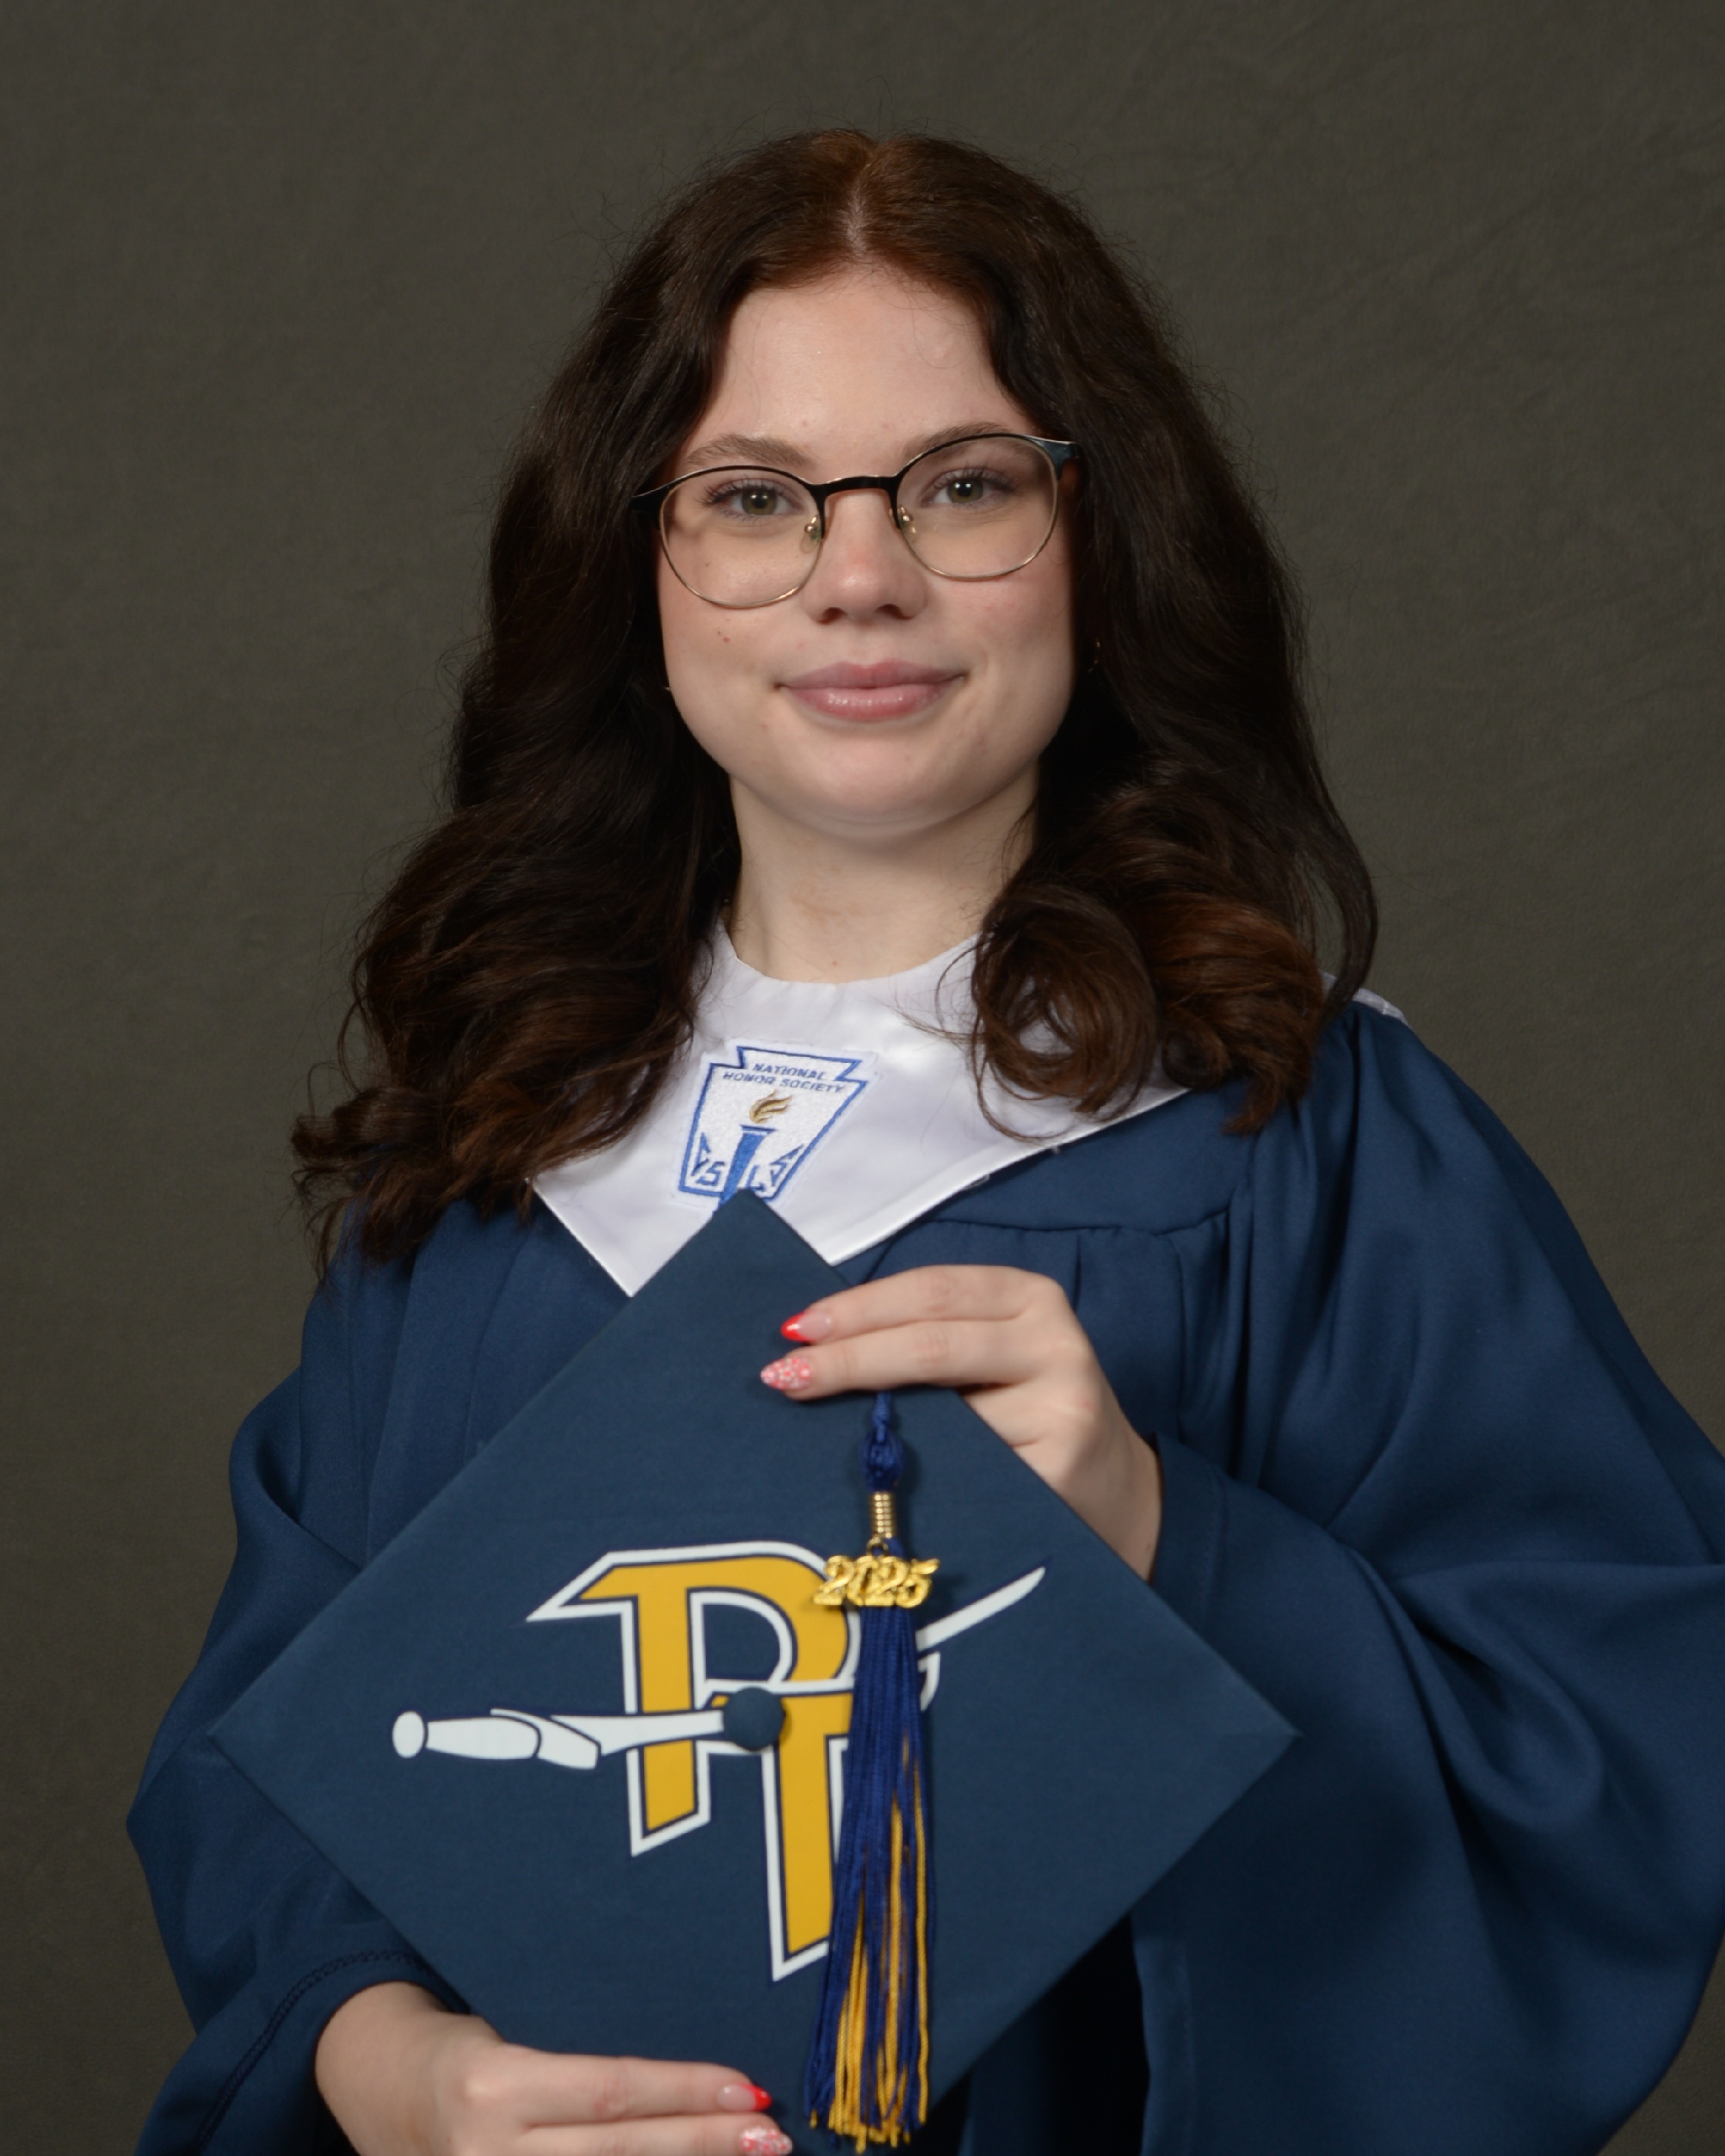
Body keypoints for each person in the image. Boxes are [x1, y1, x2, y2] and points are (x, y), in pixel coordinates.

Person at [129, 129, 1725, 2156]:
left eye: (964, 485)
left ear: (1100, 536)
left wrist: (1172, 1540)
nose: (857, 575)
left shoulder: (1304, 1145)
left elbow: (1621, 1743)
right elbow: (275, 1756)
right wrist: (386, 2066)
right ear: (637, 570)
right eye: (753, 497)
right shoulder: (491, 1163)